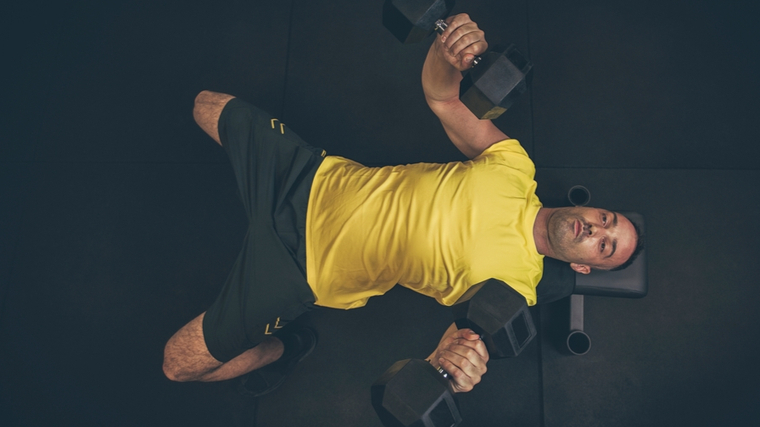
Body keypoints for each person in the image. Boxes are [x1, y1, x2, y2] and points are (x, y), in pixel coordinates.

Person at [163, 14, 643, 397]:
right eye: (607, 220)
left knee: (178, 366)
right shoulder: (516, 167)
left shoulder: (516, 287)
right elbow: (442, 96)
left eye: (605, 246)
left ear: (582, 269)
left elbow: (463, 344)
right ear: (594, 209)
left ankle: (286, 346)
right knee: (206, 104)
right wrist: (445, 51)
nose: (597, 230)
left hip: (298, 268)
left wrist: (455, 367)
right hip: (312, 178)